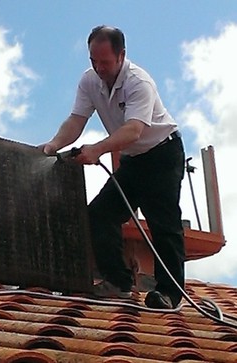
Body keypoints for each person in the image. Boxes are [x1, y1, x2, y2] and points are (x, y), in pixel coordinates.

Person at [43, 25, 185, 309]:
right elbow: (76, 120)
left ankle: (169, 294)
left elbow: (133, 130)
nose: (99, 68)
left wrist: (96, 150)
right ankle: (118, 283)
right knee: (100, 214)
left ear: (121, 55)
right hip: (134, 161)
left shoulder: (139, 82)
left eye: (105, 62)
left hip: (162, 155)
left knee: (163, 224)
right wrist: (52, 145)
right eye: (93, 61)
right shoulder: (89, 81)